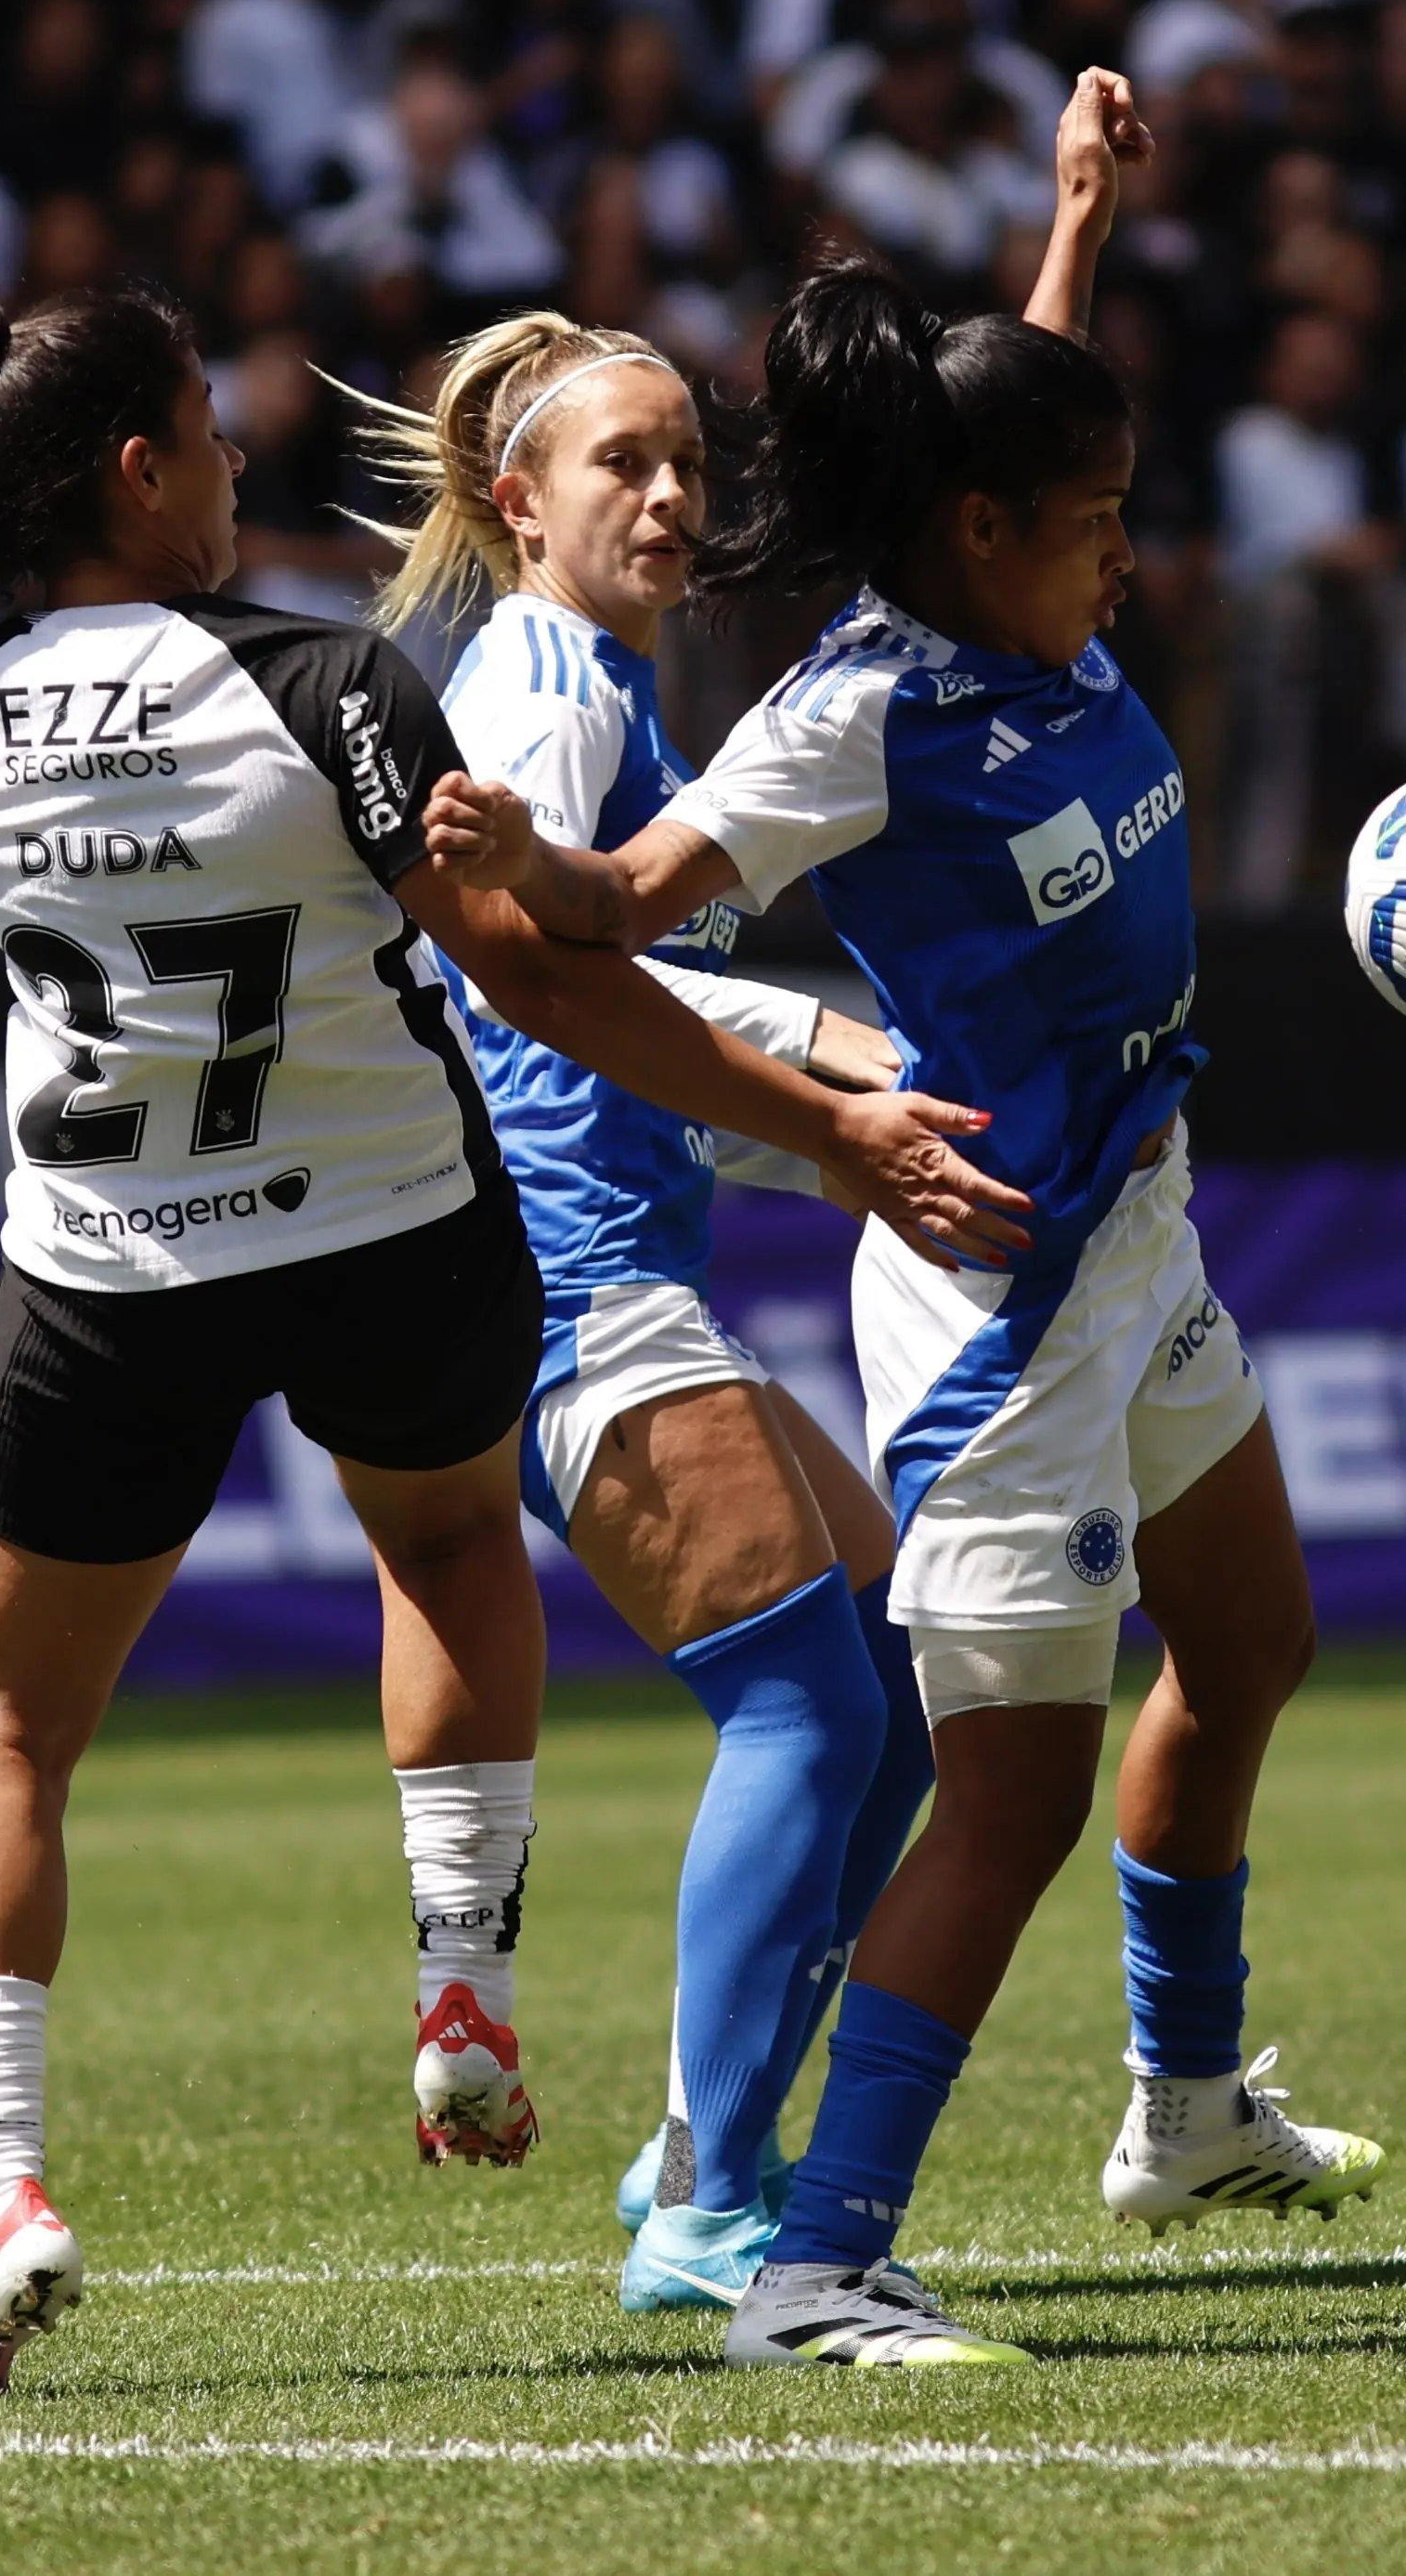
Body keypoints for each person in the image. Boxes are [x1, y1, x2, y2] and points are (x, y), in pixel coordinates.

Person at [0, 275, 1028, 2399]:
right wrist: (828, 1124)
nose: (243, 467)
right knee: (436, 1549)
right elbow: (538, 983)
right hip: (387, 1234)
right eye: (213, 440)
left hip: (106, 1278)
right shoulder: (332, 683)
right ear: (141, 470)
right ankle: (459, 1985)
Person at [425, 71, 1386, 2368]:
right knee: (997, 1782)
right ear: (978, 532)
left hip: (1137, 1227)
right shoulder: (849, 715)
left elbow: (1001, 436)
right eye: (1092, 523)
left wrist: (1069, 231)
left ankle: (1180, 2104)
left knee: (1246, 1642)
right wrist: (493, 872)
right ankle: (805, 2258)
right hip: (1003, 1297)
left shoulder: (1007, 593)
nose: (1122, 556)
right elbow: (622, 901)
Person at [345, 311, 946, 2314]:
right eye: (622, 463)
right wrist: (833, 1100)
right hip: (560, 1277)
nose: (670, 495)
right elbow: (530, 976)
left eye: (687, 460)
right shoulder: (531, 681)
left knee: (885, 1677)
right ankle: (706, 2201)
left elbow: (622, 1000)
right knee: (807, 1699)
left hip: (610, 1264)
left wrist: (820, 1080)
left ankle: (706, 2135)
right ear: (516, 502)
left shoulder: (584, 678)